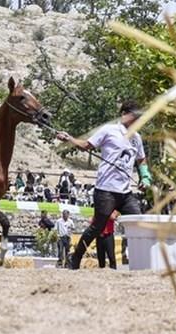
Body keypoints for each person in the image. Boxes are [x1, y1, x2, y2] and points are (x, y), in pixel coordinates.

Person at [56, 100, 151, 269]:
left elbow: (141, 159)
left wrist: (145, 177)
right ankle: (75, 258)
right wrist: (69, 138)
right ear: (125, 115)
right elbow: (86, 145)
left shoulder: (137, 138)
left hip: (126, 192)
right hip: (106, 190)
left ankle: (142, 263)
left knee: (138, 222)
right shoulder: (109, 130)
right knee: (97, 227)